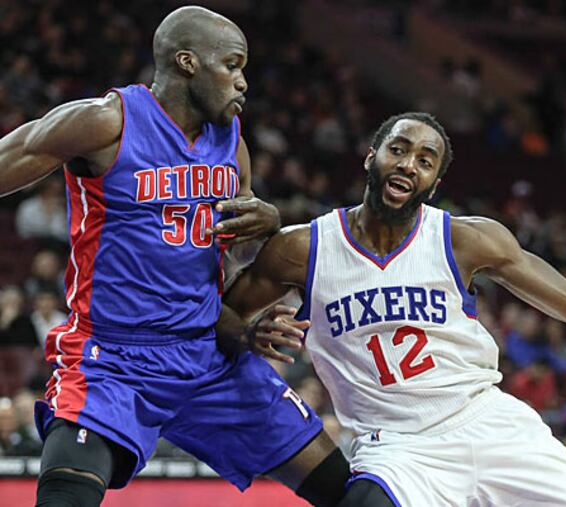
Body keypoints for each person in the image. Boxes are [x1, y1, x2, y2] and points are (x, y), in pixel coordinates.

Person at [224, 112, 566, 506]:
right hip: (399, 448)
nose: (409, 163)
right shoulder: (303, 249)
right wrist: (246, 335)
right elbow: (217, 317)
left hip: (489, 423)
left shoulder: (464, 241)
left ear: (435, 182)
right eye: (399, 149)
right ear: (371, 156)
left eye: (425, 160)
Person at [0, 6, 348, 507]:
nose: (243, 82)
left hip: (207, 355)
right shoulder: (106, 122)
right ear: (187, 63)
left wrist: (245, 323)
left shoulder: (234, 145)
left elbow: (223, 279)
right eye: (232, 64)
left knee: (352, 494)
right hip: (114, 359)